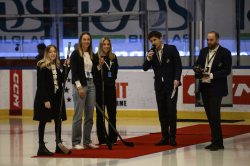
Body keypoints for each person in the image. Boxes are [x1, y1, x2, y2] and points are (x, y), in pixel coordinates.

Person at [143, 31, 182, 146]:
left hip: (171, 85)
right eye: (151, 41)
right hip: (159, 86)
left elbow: (178, 65)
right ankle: (164, 136)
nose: (153, 43)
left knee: (171, 111)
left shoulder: (171, 49)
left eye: (155, 40)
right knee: (162, 112)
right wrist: (148, 58)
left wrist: (177, 78)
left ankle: (172, 137)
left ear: (160, 39)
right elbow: (145, 68)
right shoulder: (152, 53)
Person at [194, 31, 232, 151]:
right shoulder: (203, 51)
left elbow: (226, 71)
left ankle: (216, 141)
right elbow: (197, 63)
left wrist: (211, 75)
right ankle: (217, 141)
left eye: (211, 40)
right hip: (204, 86)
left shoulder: (225, 52)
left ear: (217, 40)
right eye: (207, 40)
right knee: (210, 116)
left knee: (215, 115)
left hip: (216, 87)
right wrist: (197, 68)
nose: (209, 42)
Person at [33, 44, 70, 156]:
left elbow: (62, 80)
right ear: (46, 53)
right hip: (45, 97)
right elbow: (41, 84)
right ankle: (41, 147)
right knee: (43, 121)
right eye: (50, 52)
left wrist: (67, 67)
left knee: (58, 121)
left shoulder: (56, 65)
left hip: (55, 97)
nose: (53, 53)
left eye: (54, 51)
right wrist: (45, 100)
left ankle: (58, 144)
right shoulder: (42, 65)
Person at [70, 31, 99, 150]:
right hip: (81, 85)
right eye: (84, 39)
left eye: (88, 39)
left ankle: (87, 141)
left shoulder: (92, 55)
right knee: (78, 115)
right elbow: (74, 72)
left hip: (91, 85)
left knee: (89, 115)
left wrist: (99, 65)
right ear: (80, 40)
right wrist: (79, 87)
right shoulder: (76, 54)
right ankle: (76, 142)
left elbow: (95, 72)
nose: (86, 41)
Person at [95, 37, 119, 145]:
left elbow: (115, 71)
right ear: (101, 45)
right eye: (104, 44)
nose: (106, 46)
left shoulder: (113, 57)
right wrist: (99, 64)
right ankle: (102, 138)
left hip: (110, 88)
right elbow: (94, 73)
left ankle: (113, 138)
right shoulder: (96, 57)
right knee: (101, 114)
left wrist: (112, 79)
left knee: (112, 114)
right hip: (100, 88)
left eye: (108, 44)